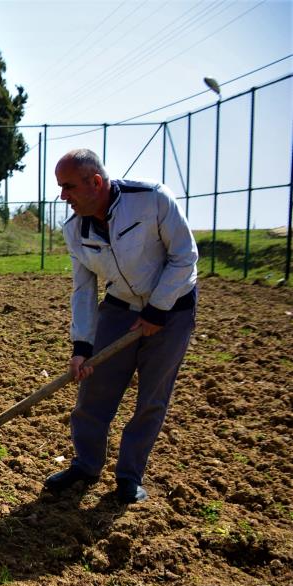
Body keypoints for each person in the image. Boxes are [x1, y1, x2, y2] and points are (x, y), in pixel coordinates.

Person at [45, 149, 198, 504]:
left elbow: (184, 256)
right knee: (93, 390)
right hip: (120, 307)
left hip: (172, 308)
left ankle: (129, 476)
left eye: (68, 187)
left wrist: (159, 309)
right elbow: (84, 288)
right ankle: (86, 465)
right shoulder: (75, 229)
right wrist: (82, 346)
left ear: (95, 182)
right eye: (60, 188)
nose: (63, 196)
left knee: (151, 398)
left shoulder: (152, 199)